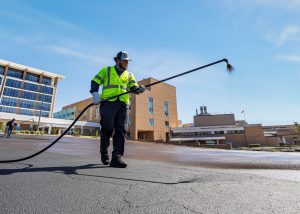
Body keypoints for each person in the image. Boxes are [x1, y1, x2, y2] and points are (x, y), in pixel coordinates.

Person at [90, 51, 146, 168]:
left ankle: (117, 157)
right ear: (118, 60)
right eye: (124, 60)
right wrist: (95, 94)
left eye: (127, 61)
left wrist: (139, 89)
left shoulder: (130, 75)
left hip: (123, 105)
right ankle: (104, 151)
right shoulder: (107, 70)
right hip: (108, 104)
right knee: (107, 128)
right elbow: (95, 81)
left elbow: (133, 88)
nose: (126, 63)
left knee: (121, 130)